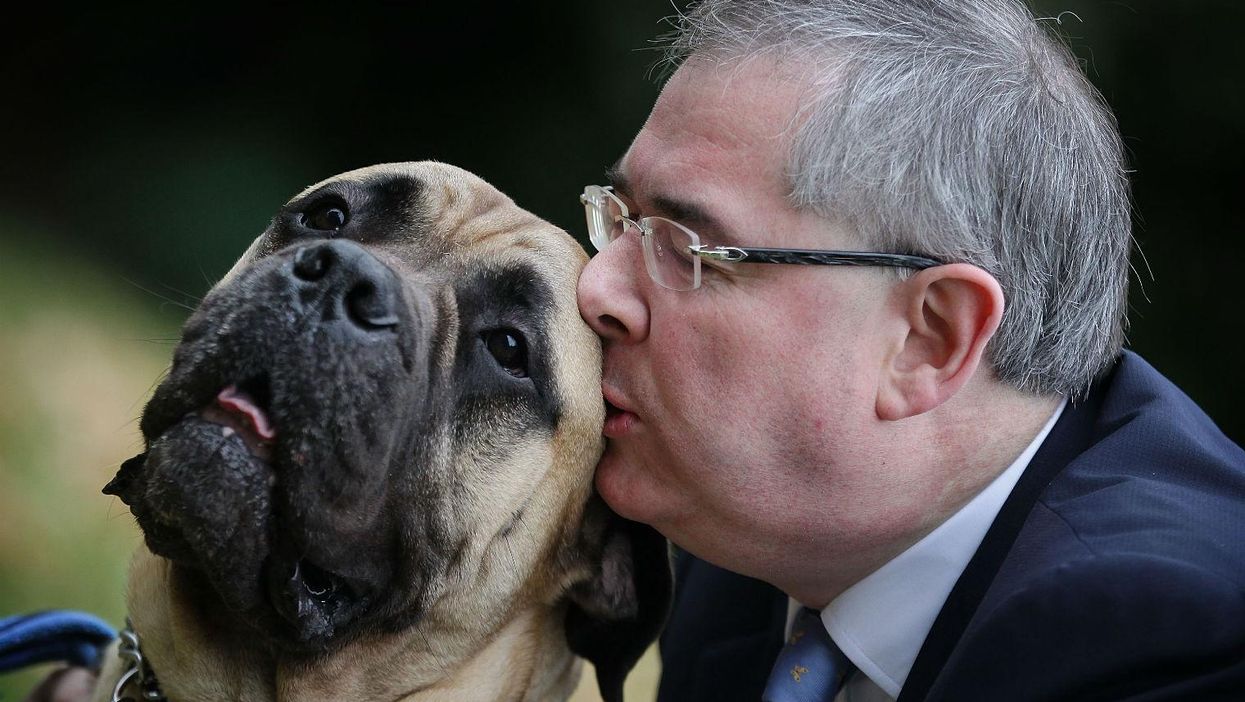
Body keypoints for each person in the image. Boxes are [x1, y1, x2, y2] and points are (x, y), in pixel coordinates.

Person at [575, 1, 1245, 701]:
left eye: (690, 251)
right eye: (620, 220)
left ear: (931, 338)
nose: (596, 289)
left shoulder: (1172, 641)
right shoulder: (750, 565)